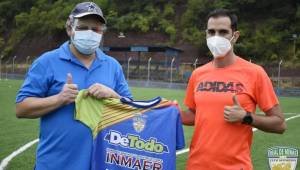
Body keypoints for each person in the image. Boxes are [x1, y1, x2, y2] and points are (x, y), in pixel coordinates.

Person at [15, 2, 132, 170]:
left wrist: (114, 95)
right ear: (70, 29)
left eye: (96, 29)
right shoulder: (47, 61)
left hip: (100, 164)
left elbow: (131, 110)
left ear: (102, 33)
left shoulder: (112, 66)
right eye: (83, 27)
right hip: (55, 164)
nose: (90, 33)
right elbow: (21, 108)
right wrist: (59, 99)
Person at [181, 9, 286, 170]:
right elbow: (194, 116)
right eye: (211, 32)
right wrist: (171, 112)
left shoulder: (255, 73)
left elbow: (279, 124)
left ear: (235, 36)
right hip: (196, 165)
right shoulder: (198, 74)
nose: (216, 37)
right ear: (206, 35)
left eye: (223, 32)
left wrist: (246, 117)